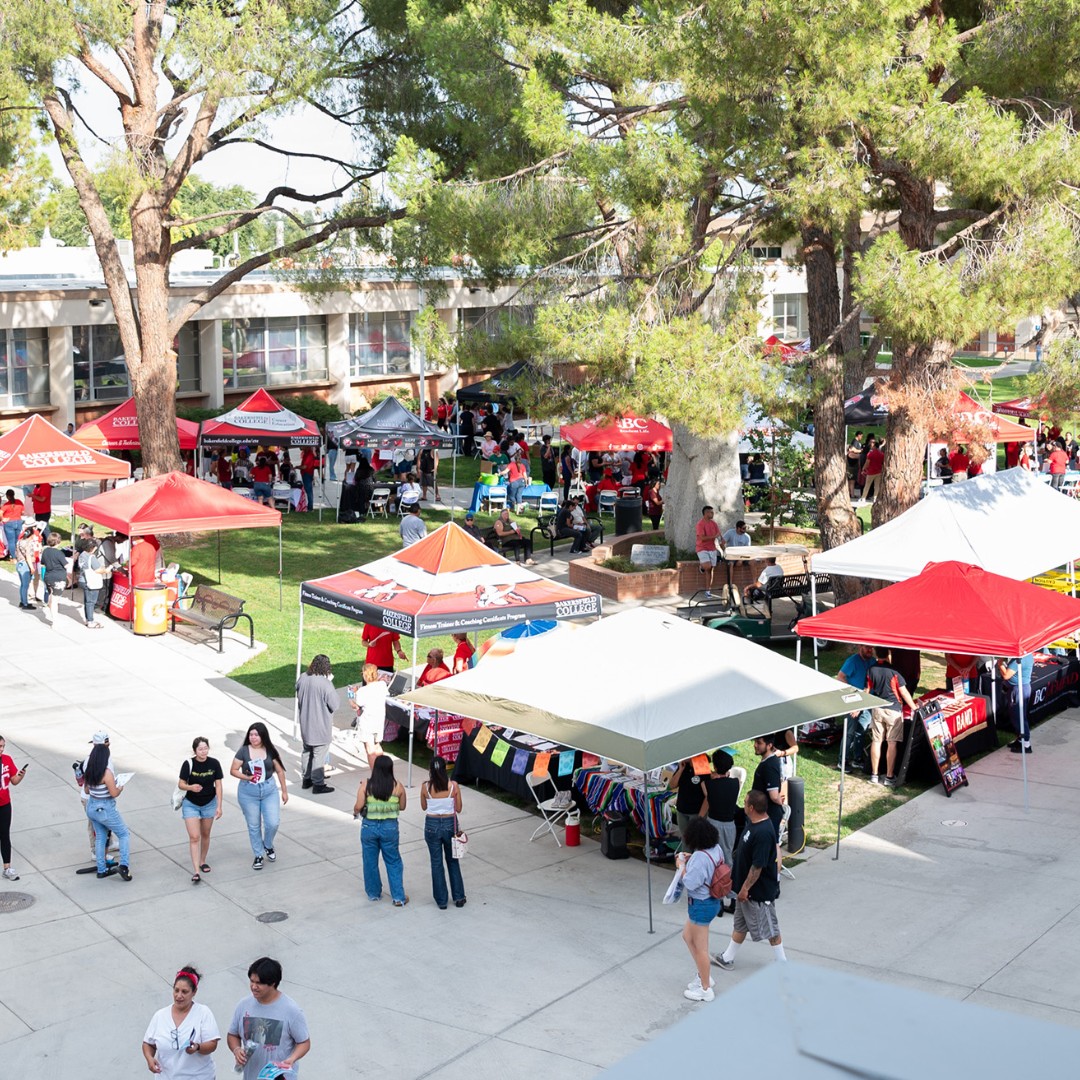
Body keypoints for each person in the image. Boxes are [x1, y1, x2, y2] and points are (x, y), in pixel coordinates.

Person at [712, 790, 786, 971]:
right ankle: (727, 958)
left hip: (756, 893)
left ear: (751, 808)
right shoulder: (753, 823)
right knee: (740, 925)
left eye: (745, 803)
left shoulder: (763, 832)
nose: (743, 805)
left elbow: (757, 866)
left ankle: (782, 962)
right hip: (744, 891)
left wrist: (745, 889)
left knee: (770, 928)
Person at [228, 957, 310, 1079]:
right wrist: (236, 1049)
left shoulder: (291, 1010)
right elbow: (232, 1035)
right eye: (252, 981)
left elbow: (304, 1042)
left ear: (273, 983)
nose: (253, 987)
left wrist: (291, 1059)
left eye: (259, 983)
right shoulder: (243, 1005)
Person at [678, 817, 726, 1001]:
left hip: (700, 905)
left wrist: (682, 866)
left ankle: (705, 989)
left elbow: (690, 882)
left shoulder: (699, 857)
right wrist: (691, 860)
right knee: (687, 936)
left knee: (701, 948)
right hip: (712, 902)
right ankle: (703, 975)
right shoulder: (716, 849)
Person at [142, 965, 220, 1077]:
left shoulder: (203, 1013)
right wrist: (149, 1058)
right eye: (176, 990)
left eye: (184, 992)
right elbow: (148, 1043)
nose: (179, 996)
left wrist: (198, 1047)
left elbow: (212, 1044)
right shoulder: (160, 1016)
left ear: (194, 992)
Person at [230, 722, 288, 871]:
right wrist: (246, 777)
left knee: (273, 822)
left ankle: (268, 845)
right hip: (248, 791)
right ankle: (258, 854)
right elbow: (233, 770)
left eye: (256, 735)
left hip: (268, 789)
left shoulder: (270, 750)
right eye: (251, 734)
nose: (253, 737)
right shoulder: (243, 751)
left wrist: (284, 791)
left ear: (263, 736)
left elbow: (280, 771)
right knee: (254, 825)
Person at [354, 754, 408, 906]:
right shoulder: (398, 786)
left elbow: (358, 806)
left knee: (369, 861)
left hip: (369, 827)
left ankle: (373, 893)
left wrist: (354, 812)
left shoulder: (366, 785)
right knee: (393, 861)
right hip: (389, 827)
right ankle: (398, 896)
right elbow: (402, 806)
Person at [82, 731, 132, 881]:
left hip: (92, 807)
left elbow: (86, 790)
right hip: (105, 807)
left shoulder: (90, 770)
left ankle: (101, 869)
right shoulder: (107, 773)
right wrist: (121, 786)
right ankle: (124, 866)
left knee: (101, 837)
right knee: (124, 834)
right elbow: (114, 793)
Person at [866, 647, 917, 786]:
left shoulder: (871, 670)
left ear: (876, 653)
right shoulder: (895, 671)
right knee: (892, 743)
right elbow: (904, 693)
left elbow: (867, 690)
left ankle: (874, 775)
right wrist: (915, 707)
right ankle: (889, 776)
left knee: (876, 741)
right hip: (893, 710)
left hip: (877, 709)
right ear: (888, 653)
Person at [420, 756, 466, 909]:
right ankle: (459, 897)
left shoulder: (425, 787)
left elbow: (424, 807)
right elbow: (459, 808)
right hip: (449, 824)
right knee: (453, 861)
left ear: (430, 770)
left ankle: (441, 901)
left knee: (436, 863)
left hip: (431, 825)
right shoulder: (453, 786)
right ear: (445, 768)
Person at [178, 737, 224, 885]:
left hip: (209, 803)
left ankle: (202, 861)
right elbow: (181, 784)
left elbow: (218, 785)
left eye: (205, 748)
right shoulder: (188, 764)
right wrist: (191, 787)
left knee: (205, 834)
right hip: (191, 803)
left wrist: (219, 805)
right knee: (194, 837)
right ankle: (196, 871)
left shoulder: (214, 763)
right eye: (200, 749)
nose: (203, 751)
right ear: (195, 750)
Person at [295, 655, 339, 795]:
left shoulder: (302, 677)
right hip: (320, 726)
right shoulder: (325, 684)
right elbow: (335, 705)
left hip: (305, 724)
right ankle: (318, 784)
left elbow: (298, 692)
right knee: (319, 755)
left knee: (307, 752)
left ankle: (306, 779)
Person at [835, 644, 876, 772]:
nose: (870, 650)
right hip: (853, 702)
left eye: (871, 648)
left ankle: (857, 759)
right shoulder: (852, 661)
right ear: (860, 647)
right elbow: (840, 677)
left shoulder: (873, 661)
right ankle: (842, 761)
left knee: (862, 730)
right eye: (867, 647)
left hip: (867, 702)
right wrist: (853, 696)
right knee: (849, 732)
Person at [699, 749, 739, 882]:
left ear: (714, 767)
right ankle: (729, 887)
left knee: (712, 855)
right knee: (727, 856)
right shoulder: (735, 783)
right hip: (729, 825)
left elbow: (707, 794)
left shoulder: (707, 785)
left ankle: (714, 885)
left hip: (713, 823)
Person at [350, 663, 389, 763]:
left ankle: (375, 776)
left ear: (364, 675)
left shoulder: (362, 692)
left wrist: (351, 696)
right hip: (379, 720)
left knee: (370, 750)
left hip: (367, 723)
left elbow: (356, 706)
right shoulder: (382, 685)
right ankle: (383, 772)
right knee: (377, 746)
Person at [0, 737, 27, 881]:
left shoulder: (7, 760)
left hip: (4, 804)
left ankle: (7, 868)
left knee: (4, 835)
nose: (2, 749)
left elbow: (14, 781)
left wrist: (21, 776)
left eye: (3, 746)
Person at [997, 653, 1035, 754]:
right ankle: (1020, 740)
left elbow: (1006, 675)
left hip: (1018, 689)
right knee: (1017, 716)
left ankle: (1026, 744)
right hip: (1022, 687)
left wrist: (1000, 663)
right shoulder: (1028, 655)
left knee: (1019, 717)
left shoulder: (1018, 660)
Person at [750, 733, 785, 842]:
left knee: (771, 845)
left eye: (759, 743)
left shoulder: (770, 765)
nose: (755, 745)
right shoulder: (767, 761)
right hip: (763, 812)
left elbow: (774, 796)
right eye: (755, 742)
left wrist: (781, 803)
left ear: (769, 745)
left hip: (769, 814)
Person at [668, 758, 705, 838]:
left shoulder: (702, 766)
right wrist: (680, 770)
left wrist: (700, 816)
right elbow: (672, 785)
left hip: (695, 812)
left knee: (695, 839)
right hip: (681, 810)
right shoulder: (684, 766)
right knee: (685, 838)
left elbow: (707, 794)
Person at [40, 531, 70, 623]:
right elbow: (66, 565)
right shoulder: (59, 553)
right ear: (58, 541)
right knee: (55, 600)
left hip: (48, 576)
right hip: (58, 578)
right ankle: (55, 619)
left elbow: (43, 563)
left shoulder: (45, 551)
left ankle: (53, 615)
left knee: (51, 595)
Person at [77, 537, 106, 629]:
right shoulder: (91, 557)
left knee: (87, 601)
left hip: (82, 579)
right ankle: (90, 621)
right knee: (91, 602)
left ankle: (88, 619)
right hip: (90, 582)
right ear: (92, 548)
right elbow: (98, 570)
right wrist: (107, 570)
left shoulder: (82, 555)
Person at [694, 506, 721, 599]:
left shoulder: (714, 523)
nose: (712, 514)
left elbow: (718, 534)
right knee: (707, 566)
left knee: (710, 570)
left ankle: (708, 590)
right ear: (705, 513)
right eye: (710, 512)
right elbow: (702, 538)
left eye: (713, 512)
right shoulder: (700, 524)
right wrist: (714, 536)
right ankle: (702, 566)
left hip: (712, 548)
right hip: (702, 548)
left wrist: (722, 540)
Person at [14, 522, 42, 610]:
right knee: (26, 585)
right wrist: (32, 567)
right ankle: (25, 604)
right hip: (25, 565)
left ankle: (22, 601)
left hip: (19, 564)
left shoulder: (19, 542)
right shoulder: (28, 543)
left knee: (22, 585)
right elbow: (28, 556)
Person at [1, 489, 24, 559]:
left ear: (7, 496)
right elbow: (23, 512)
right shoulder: (19, 502)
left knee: (11, 541)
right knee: (17, 540)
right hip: (18, 521)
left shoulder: (6, 504)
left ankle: (13, 557)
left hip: (9, 523)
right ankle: (18, 555)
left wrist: (2, 519)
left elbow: (0, 513)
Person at [846, 431, 864, 498]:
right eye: (861, 436)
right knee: (852, 481)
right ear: (858, 435)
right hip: (851, 465)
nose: (861, 437)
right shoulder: (855, 442)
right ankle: (852, 495)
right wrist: (861, 451)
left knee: (851, 481)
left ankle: (850, 493)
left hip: (854, 464)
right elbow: (853, 450)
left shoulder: (857, 443)